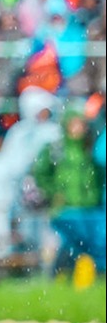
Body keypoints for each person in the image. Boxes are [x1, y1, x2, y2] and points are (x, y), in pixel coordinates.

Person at [31, 109, 105, 274]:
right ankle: (59, 279)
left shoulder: (90, 148)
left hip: (89, 208)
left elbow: (99, 176)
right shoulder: (56, 149)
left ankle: (92, 282)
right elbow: (41, 173)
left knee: (95, 250)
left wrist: (96, 195)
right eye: (75, 124)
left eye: (82, 124)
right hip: (65, 209)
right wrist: (55, 193)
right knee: (66, 249)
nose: (79, 128)